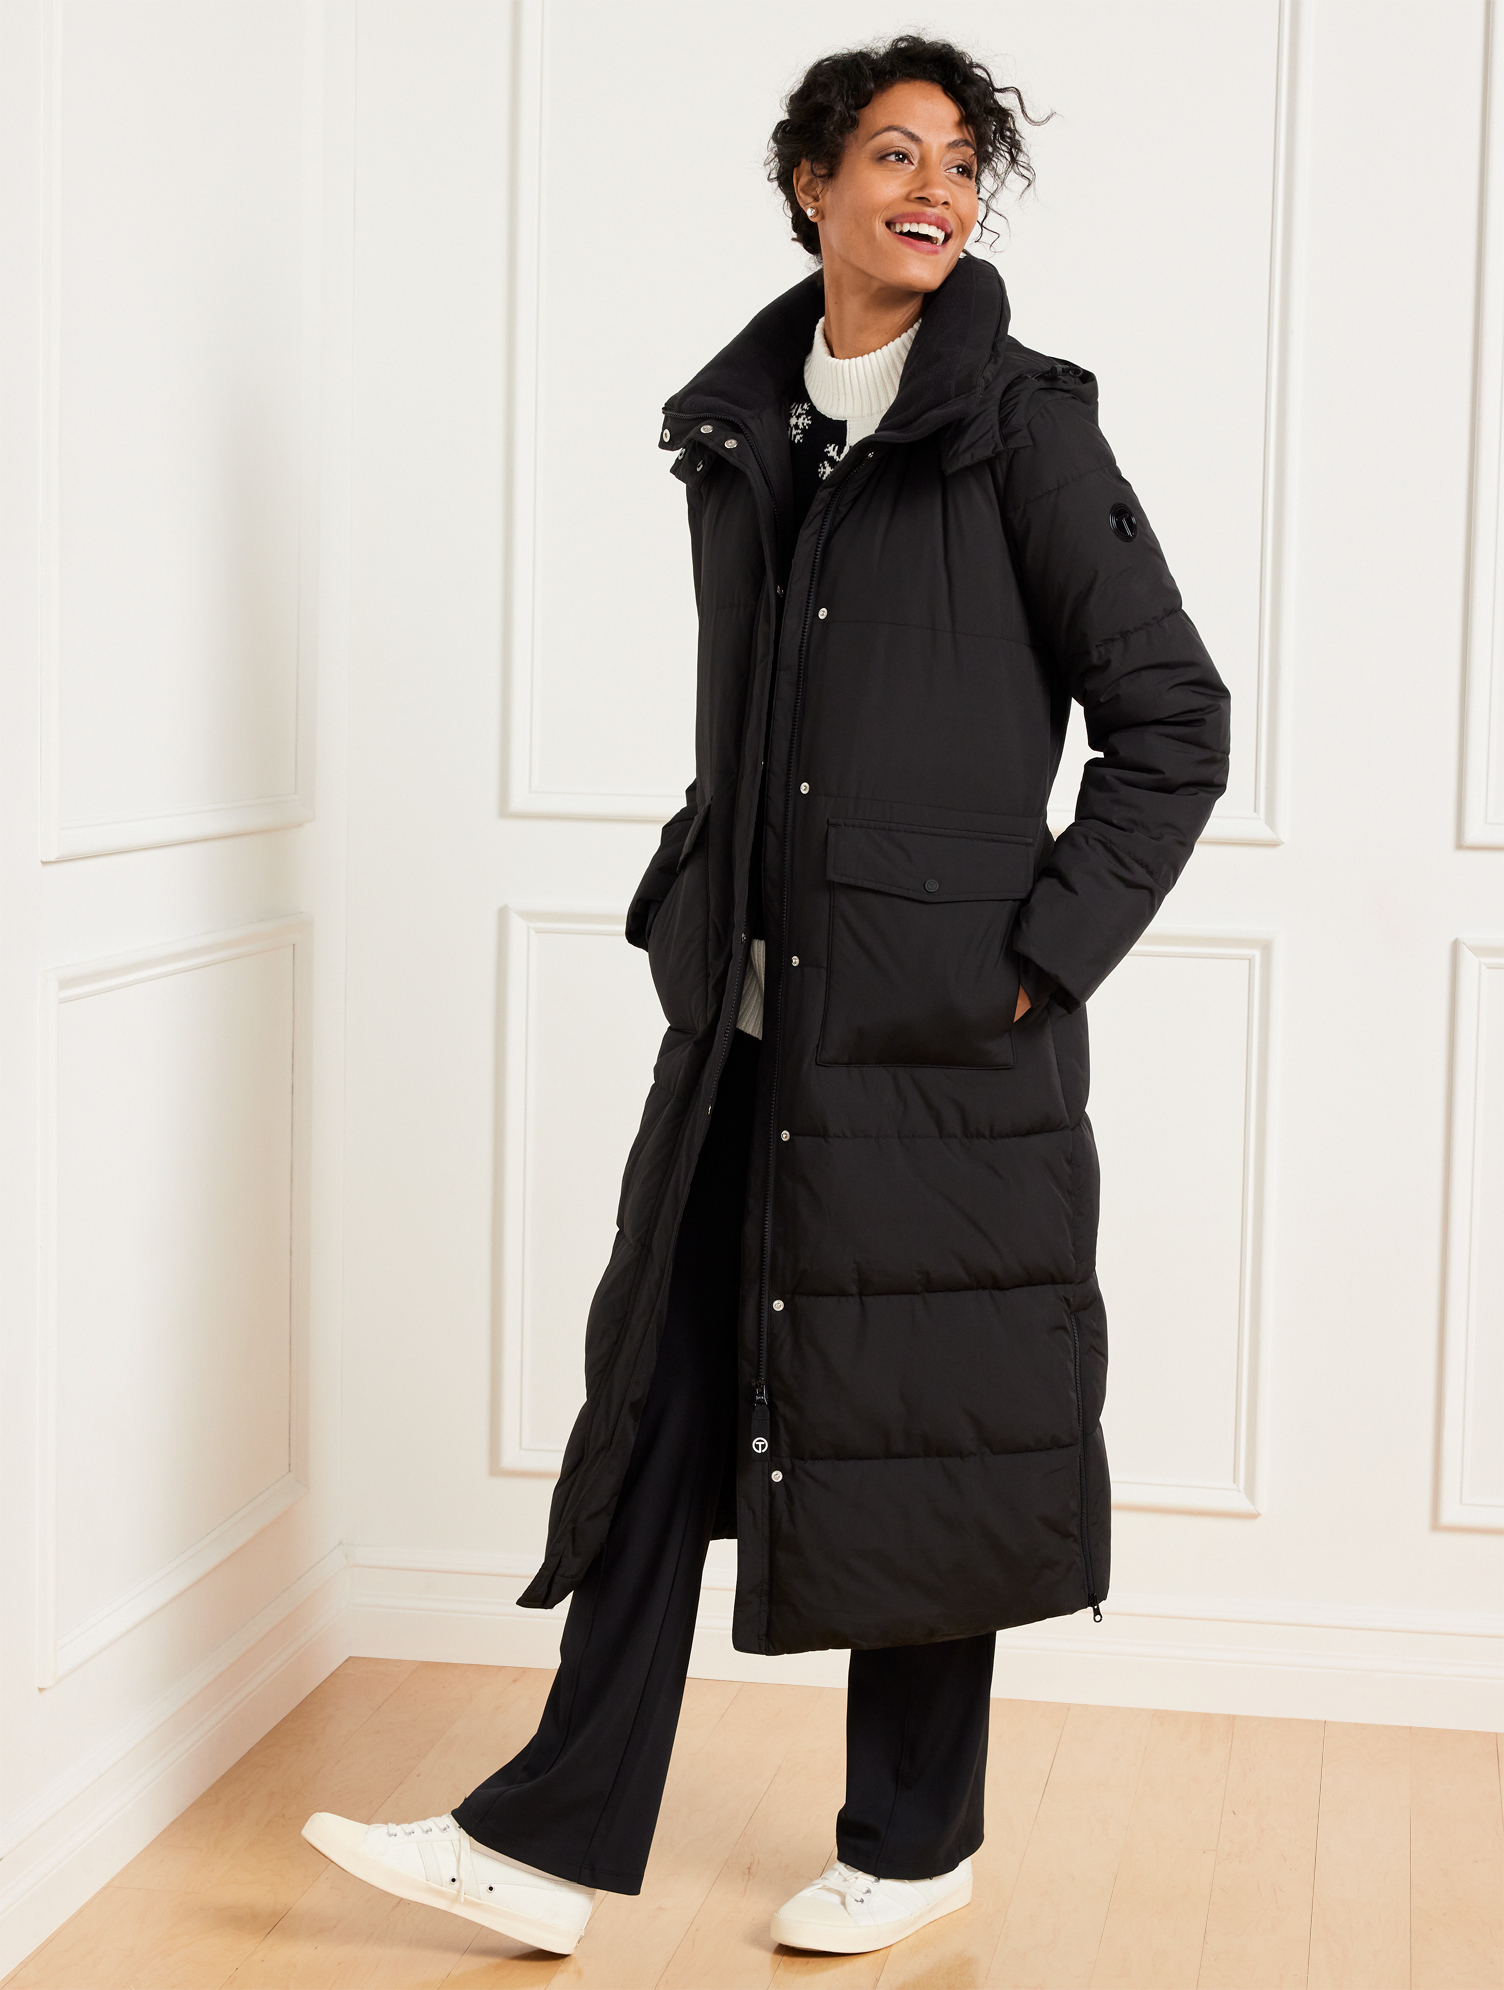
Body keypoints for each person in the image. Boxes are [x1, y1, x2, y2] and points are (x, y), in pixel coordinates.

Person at [303, 33, 1231, 1960]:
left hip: (937, 1049)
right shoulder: (740, 436)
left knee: (919, 1420)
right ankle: (547, 1838)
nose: (934, 188)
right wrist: (692, 900)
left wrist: (1035, 958)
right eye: (893, 152)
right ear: (810, 184)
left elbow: (1173, 719)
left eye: (960, 163)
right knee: (657, 1405)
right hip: (744, 1031)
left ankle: (915, 1841)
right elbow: (757, 735)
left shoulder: (1021, 428)